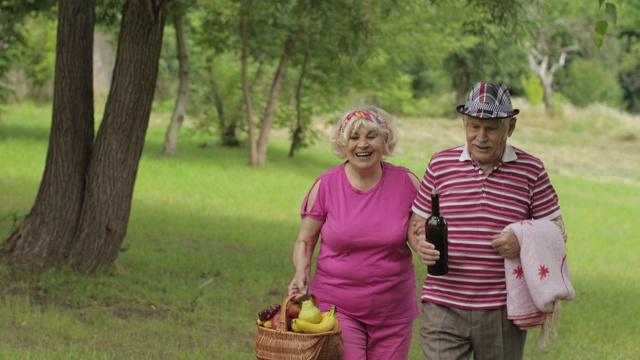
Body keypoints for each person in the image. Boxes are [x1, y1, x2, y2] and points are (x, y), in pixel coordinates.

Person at [408, 82, 567, 360]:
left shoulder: (531, 169)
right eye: (473, 127)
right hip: (443, 303)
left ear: (510, 127)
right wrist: (418, 245)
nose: (481, 137)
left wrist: (523, 239)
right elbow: (416, 223)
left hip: (503, 309)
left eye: (491, 128)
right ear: (464, 124)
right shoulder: (440, 164)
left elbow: (558, 231)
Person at [288, 106, 421, 360]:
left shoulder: (407, 183)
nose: (363, 144)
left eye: (371, 136)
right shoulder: (326, 185)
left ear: (385, 140)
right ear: (343, 143)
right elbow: (305, 241)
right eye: (354, 137)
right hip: (337, 307)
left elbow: (418, 234)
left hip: (394, 309)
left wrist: (425, 244)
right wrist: (301, 272)